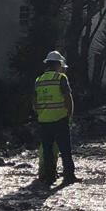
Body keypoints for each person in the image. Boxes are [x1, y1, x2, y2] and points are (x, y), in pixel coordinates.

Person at [33, 51, 77, 185]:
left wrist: (40, 114)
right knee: (65, 150)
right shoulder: (61, 78)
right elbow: (68, 98)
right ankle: (69, 176)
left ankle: (49, 177)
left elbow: (34, 102)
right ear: (58, 64)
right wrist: (69, 115)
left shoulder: (39, 80)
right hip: (60, 119)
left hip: (44, 121)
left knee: (47, 150)